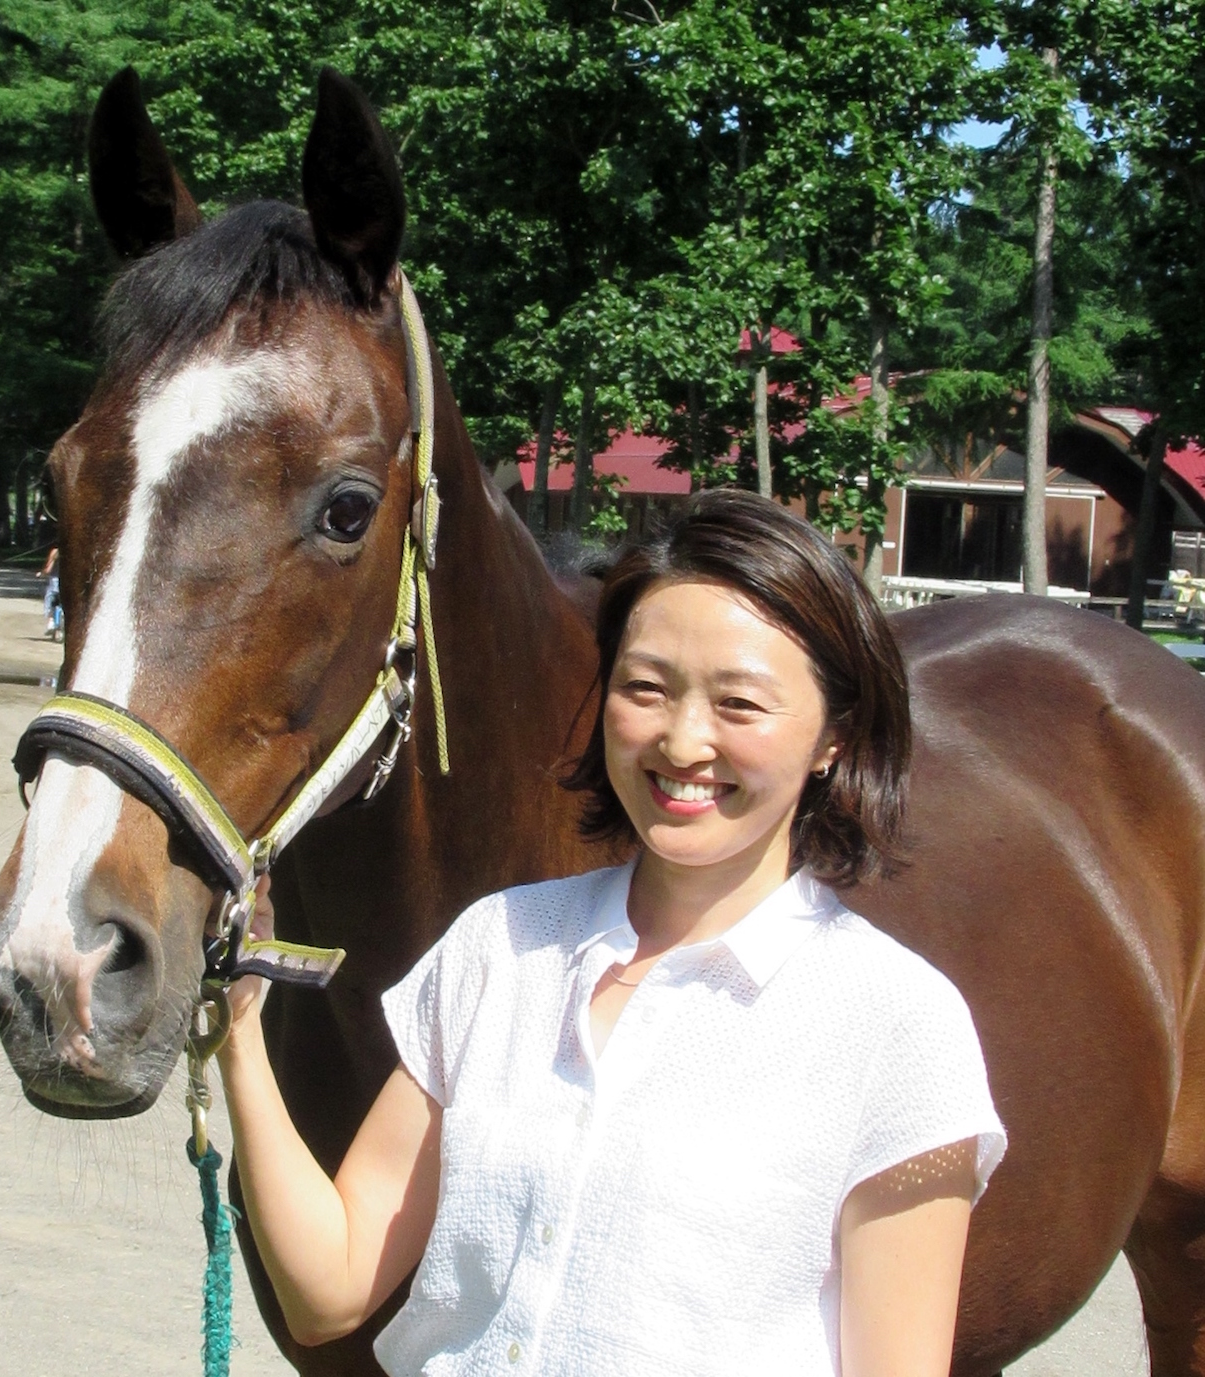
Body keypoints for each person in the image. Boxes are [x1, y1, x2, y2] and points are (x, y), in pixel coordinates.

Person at [219, 490, 1006, 1377]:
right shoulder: (498, 947)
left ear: (834, 735)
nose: (681, 740)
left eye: (740, 704)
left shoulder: (895, 1024)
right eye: (645, 688)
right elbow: (330, 1288)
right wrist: (240, 1032)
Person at [37, 545, 60, 636]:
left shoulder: (55, 552)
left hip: (55, 581)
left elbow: (48, 570)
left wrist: (41, 574)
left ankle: (51, 622)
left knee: (50, 598)